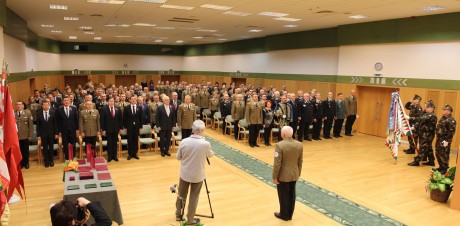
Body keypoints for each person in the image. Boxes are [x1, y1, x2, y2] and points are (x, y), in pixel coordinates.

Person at [175, 120, 214, 225]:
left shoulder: (184, 141)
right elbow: (210, 155)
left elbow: (178, 157)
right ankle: (190, 220)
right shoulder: (205, 144)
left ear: (193, 129)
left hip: (185, 173)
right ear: (202, 130)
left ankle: (178, 214)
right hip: (198, 175)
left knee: (181, 195)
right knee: (194, 197)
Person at [272, 126, 303, 221]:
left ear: (283, 134)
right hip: (294, 173)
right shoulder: (299, 144)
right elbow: (300, 161)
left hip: (283, 175)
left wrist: (274, 177)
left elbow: (277, 164)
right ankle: (290, 214)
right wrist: (298, 173)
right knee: (291, 195)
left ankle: (284, 215)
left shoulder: (279, 145)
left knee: (283, 195)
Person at [408, 100, 437, 166]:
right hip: (424, 133)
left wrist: (410, 118)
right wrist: (414, 127)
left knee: (422, 148)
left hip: (428, 134)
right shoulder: (426, 113)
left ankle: (417, 161)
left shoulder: (432, 115)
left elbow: (421, 119)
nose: (425, 108)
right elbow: (421, 122)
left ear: (432, 108)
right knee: (428, 147)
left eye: (427, 107)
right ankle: (431, 161)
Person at [433, 104, 457, 174]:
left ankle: (444, 169)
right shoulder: (443, 118)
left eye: (444, 110)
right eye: (443, 109)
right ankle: (440, 167)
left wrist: (447, 141)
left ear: (449, 112)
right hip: (439, 138)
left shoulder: (451, 120)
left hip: (445, 139)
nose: (443, 111)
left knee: (444, 154)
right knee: (438, 153)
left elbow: (451, 132)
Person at [37, 100, 58, 167]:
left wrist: (56, 133)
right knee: (45, 148)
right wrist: (38, 135)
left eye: (47, 105)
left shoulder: (53, 112)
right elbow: (38, 125)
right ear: (42, 106)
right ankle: (46, 161)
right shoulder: (39, 113)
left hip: (51, 133)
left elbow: (55, 124)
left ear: (49, 105)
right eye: (44, 105)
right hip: (43, 134)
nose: (45, 106)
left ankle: (51, 160)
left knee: (51, 147)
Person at [57, 96, 79, 160]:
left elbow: (76, 119)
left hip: (72, 130)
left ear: (70, 101)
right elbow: (58, 121)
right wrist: (59, 131)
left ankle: (73, 156)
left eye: (67, 100)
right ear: (63, 102)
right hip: (64, 131)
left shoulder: (74, 108)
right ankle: (67, 157)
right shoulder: (59, 109)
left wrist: (77, 129)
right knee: (65, 145)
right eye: (65, 100)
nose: (66, 101)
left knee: (73, 144)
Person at [101, 97, 122, 162]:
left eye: (112, 101)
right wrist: (103, 129)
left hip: (116, 129)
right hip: (108, 129)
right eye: (110, 101)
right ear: (108, 102)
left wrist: (120, 128)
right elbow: (102, 120)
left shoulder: (118, 109)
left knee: (115, 143)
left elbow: (120, 119)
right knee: (109, 143)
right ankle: (109, 156)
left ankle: (115, 156)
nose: (111, 102)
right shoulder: (104, 109)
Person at [15, 101, 33, 169]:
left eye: (19, 104)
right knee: (19, 151)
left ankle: (26, 163)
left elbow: (30, 125)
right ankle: (21, 163)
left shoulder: (27, 113)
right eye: (17, 104)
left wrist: (30, 135)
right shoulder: (13, 114)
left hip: (25, 135)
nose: (18, 106)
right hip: (17, 136)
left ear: (23, 106)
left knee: (25, 150)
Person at [123, 96, 142, 160]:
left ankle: (135, 153)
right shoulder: (126, 108)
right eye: (132, 99)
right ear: (130, 100)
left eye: (134, 99)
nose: (133, 100)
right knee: (130, 140)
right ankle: (130, 154)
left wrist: (140, 127)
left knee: (135, 140)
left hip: (137, 127)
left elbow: (141, 118)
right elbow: (124, 118)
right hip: (129, 127)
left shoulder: (139, 107)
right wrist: (125, 127)